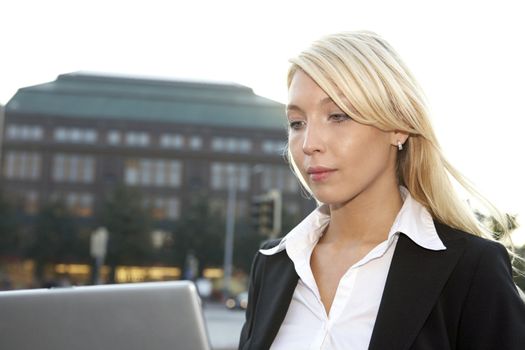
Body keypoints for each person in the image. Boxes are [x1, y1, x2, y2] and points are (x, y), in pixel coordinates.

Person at [238, 31, 525, 350]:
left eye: (338, 116)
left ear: (398, 126)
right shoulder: (272, 264)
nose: (309, 144)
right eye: (296, 123)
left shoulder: (470, 269)